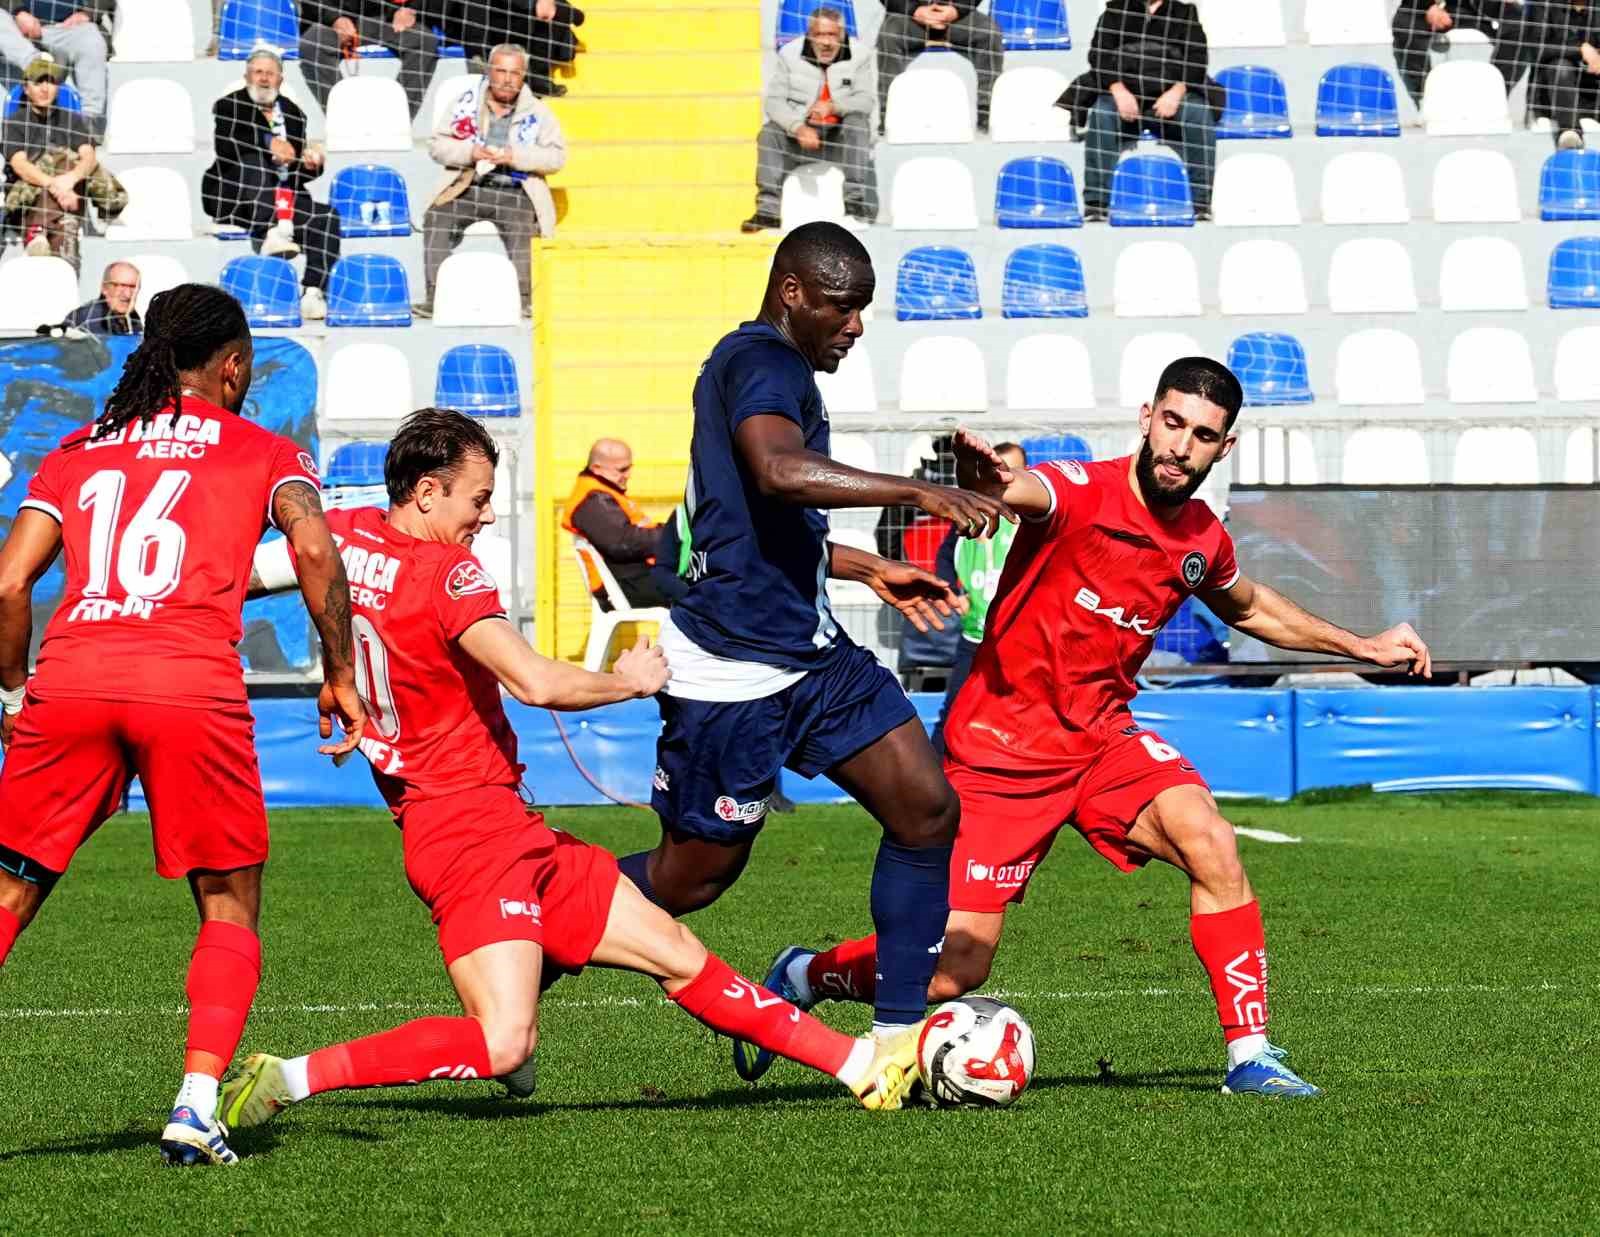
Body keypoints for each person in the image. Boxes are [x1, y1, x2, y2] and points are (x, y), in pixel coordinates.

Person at [735, 357, 1435, 1098]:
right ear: (1146, 417)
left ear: (1223, 448)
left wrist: (1362, 647)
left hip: (1103, 741)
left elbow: (1251, 606)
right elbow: (1023, 492)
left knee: (1211, 840)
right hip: (1000, 755)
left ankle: (1250, 1055)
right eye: (1172, 424)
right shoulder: (1078, 490)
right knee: (953, 971)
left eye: (1202, 435)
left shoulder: (1202, 539)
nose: (1180, 447)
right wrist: (988, 483)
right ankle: (806, 973)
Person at [221, 409, 926, 1131]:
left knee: (678, 953)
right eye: (478, 499)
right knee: (505, 1041)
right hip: (465, 836)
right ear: (428, 492)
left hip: (503, 824)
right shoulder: (447, 573)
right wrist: (629, 681)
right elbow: (533, 682)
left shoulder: (341, 536)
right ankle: (288, 1076)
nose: (487, 516)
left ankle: (858, 1064)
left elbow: (237, 576)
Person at [612, 220, 1010, 1055]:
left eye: (863, 308)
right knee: (692, 877)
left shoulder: (774, 365)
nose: (855, 325)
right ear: (791, 292)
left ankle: (898, 1044)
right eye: (841, 306)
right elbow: (776, 471)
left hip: (814, 656)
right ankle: (532, 921)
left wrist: (863, 566)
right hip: (731, 666)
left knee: (927, 809)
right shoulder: (761, 361)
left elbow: (749, 525)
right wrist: (918, 492)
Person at [0, 283, 365, 1166]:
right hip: (188, 684)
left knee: (8, 890)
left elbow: (9, 583)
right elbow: (315, 549)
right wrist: (341, 672)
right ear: (232, 366)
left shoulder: (79, 448)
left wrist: (13, 693)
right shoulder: (262, 448)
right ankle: (197, 1104)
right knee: (228, 900)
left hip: (74, 676)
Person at [416, 43, 563, 319]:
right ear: (489, 71)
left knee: (522, 224)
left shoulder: (538, 111)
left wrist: (515, 156)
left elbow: (556, 157)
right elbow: (437, 146)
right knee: (437, 216)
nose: (507, 79)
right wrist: (469, 152)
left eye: (515, 73)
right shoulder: (465, 103)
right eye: (501, 71)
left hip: (514, 189)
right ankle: (436, 296)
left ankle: (525, 299)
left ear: (523, 75)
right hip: (467, 184)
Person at [201, 49, 342, 321]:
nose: (264, 79)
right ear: (247, 76)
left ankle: (313, 292)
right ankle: (271, 228)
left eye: (270, 73)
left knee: (326, 217)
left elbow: (296, 172)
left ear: (280, 79)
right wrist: (269, 143)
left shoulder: (294, 114)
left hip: (283, 199)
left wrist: (311, 164)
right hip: (238, 199)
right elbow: (229, 147)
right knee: (253, 161)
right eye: (258, 72)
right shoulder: (230, 106)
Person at [928, 440, 1026, 758]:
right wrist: (953, 592)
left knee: (1022, 717)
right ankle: (935, 775)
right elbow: (945, 556)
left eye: (1014, 471)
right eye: (1001, 471)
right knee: (954, 710)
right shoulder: (973, 515)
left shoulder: (1033, 520)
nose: (1008, 479)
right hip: (975, 636)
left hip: (1022, 640)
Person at [744, 7, 877, 233]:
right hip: (800, 135)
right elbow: (774, 102)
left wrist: (834, 107)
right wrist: (797, 128)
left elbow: (866, 101)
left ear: (842, 35)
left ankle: (854, 203)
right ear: (809, 35)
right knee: (768, 133)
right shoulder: (789, 54)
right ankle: (768, 211)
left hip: (839, 136)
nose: (826, 42)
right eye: (820, 35)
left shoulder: (860, 55)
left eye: (832, 35)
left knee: (858, 123)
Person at [1081, 0, 1215, 222]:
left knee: (1198, 113)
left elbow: (1197, 59)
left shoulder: (1184, 13)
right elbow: (1099, 56)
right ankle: (1097, 203)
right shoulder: (1115, 11)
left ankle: (1201, 202)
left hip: (1170, 95)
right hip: (1125, 95)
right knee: (1102, 113)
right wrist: (1118, 89)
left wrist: (1176, 92)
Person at [2, 53, 124, 271]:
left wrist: (70, 179)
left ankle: (40, 233)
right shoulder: (14, 122)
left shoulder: (72, 120)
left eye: (50, 82)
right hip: (26, 197)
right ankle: (55, 235)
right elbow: (21, 166)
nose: (45, 88)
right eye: (38, 82)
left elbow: (89, 156)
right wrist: (57, 185)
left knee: (72, 162)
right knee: (60, 160)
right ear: (26, 88)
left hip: (69, 194)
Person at [562, 437, 682, 610]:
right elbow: (623, 542)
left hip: (638, 579)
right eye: (622, 470)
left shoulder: (602, 494)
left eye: (629, 468)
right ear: (597, 469)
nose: (628, 475)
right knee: (705, 590)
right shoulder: (592, 500)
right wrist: (672, 534)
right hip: (628, 586)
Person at [298, 0, 441, 120]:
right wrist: (334, 18)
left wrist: (411, 9)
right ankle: (345, 121)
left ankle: (396, 121)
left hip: (392, 18)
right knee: (312, 44)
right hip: (341, 19)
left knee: (425, 41)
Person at [876, 0, 1004, 132]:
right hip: (908, 16)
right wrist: (915, 10)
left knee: (990, 33)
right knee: (889, 36)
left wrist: (955, 10)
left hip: (956, 17)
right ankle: (888, 111)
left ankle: (986, 109)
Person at [1392, 1, 1542, 111]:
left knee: (1525, 24)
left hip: (1478, 9)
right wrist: (1427, 6)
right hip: (1432, 7)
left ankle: (1494, 98)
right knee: (1404, 25)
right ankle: (1425, 99)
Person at [440, 0, 584, 98]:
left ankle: (538, 79)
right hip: (479, 24)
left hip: (515, 20)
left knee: (554, 12)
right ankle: (479, 60)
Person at [0, 0, 107, 131]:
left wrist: (87, 13)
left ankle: (89, 126)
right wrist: (19, 12)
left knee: (91, 39)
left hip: (68, 28)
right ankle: (36, 63)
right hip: (17, 30)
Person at [1532, 2, 1600, 149]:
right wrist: (1581, 49)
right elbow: (1539, 49)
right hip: (1556, 94)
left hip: (1592, 92)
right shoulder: (1545, 5)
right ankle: (1570, 134)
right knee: (1561, 67)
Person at [61, 258, 140, 334]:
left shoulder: (134, 320)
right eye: (121, 286)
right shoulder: (85, 318)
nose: (127, 294)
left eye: (133, 287)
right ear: (104, 288)